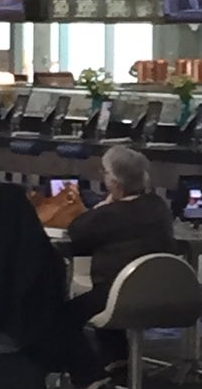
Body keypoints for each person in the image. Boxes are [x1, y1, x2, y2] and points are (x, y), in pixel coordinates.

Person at [0, 183, 114, 389]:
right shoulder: (40, 253)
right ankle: (90, 377)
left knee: (60, 320)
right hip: (32, 337)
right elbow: (52, 298)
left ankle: (90, 377)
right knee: (63, 319)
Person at [63, 146, 176, 371]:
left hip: (118, 294)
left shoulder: (108, 215)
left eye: (105, 172)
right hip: (163, 293)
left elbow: (76, 232)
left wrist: (102, 206)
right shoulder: (158, 207)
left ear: (115, 181)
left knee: (63, 315)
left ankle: (87, 374)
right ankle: (117, 361)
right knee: (105, 297)